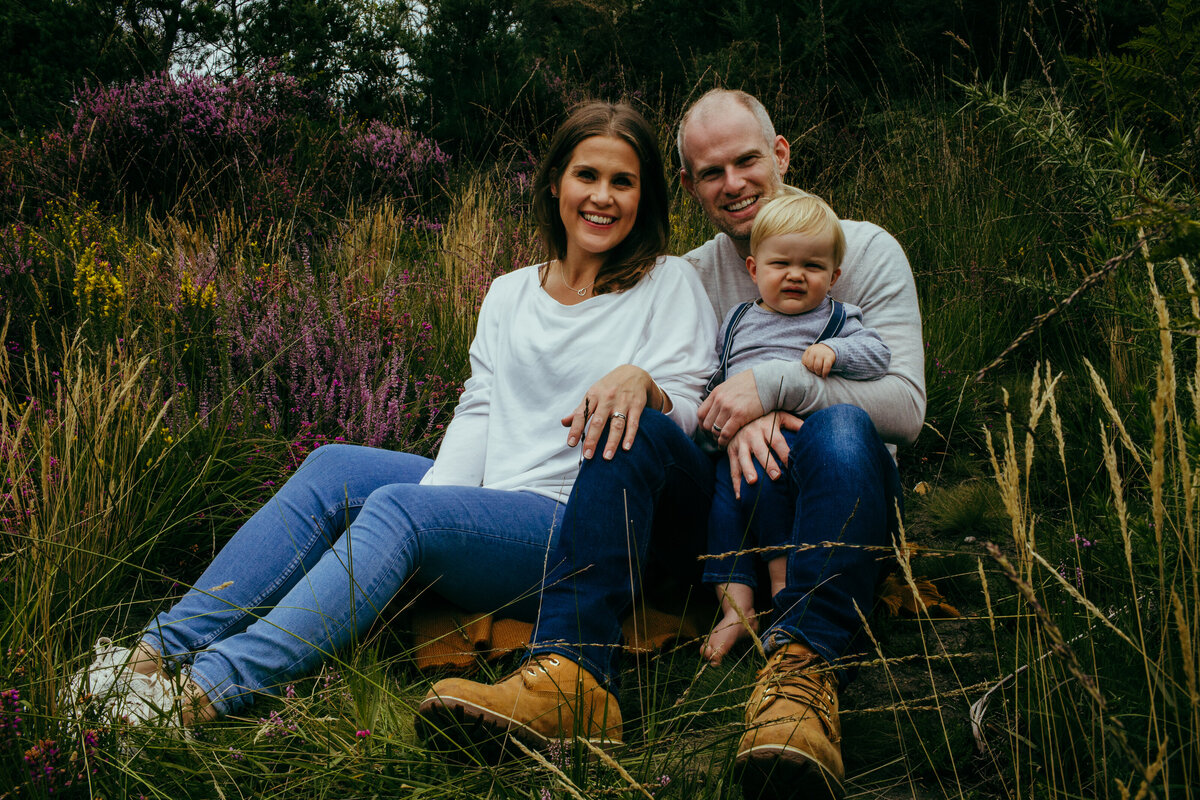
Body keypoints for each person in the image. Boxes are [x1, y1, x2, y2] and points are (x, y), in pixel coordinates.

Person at [61, 100, 717, 730]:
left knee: (402, 511)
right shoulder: (510, 292)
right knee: (332, 466)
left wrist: (647, 385)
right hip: (497, 497)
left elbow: (683, 419)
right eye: (587, 175)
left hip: (570, 528)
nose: (603, 196)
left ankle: (206, 690)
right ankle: (152, 653)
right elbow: (481, 410)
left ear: (646, 196)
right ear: (555, 184)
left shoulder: (668, 283)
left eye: (623, 182)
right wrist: (440, 512)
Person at [418, 89, 923, 800]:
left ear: (780, 153)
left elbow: (905, 407)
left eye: (747, 160)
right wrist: (698, 406)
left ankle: (803, 680)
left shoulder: (861, 249)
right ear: (688, 186)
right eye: (710, 172)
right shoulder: (689, 273)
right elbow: (690, 399)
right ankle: (571, 674)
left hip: (837, 489)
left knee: (842, 425)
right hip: (728, 502)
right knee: (638, 419)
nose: (734, 183)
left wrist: (777, 392)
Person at [700, 190, 891, 668]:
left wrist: (839, 354)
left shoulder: (839, 319)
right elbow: (717, 378)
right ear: (753, 269)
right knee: (724, 517)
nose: (795, 275)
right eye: (781, 262)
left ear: (834, 277)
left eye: (812, 266)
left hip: (801, 450)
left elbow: (879, 356)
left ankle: (790, 597)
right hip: (737, 452)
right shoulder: (737, 319)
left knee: (781, 503)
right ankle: (734, 606)